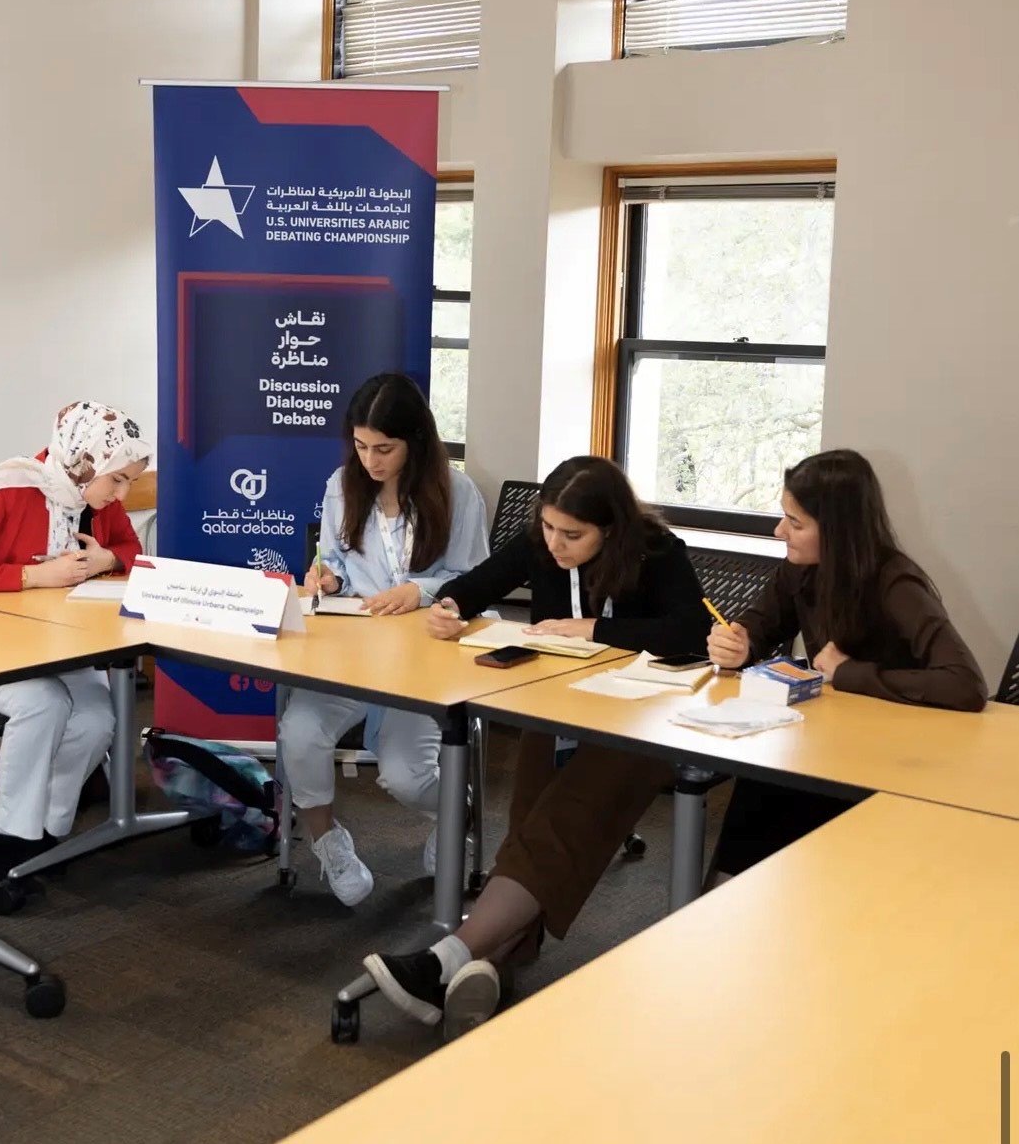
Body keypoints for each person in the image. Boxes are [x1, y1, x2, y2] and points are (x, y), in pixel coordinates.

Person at [363, 455, 710, 1037]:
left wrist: (595, 629)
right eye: (548, 528)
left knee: (555, 827)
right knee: (530, 825)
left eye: (573, 535)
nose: (555, 545)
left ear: (612, 529)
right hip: (555, 704)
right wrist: (448, 608)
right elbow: (474, 586)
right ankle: (491, 962)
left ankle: (448, 957)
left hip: (643, 718)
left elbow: (690, 631)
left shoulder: (656, 551)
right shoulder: (540, 542)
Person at [706, 448, 988, 883]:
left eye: (796, 523)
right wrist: (739, 643)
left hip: (897, 756)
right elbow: (759, 626)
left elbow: (965, 684)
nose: (780, 531)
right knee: (763, 782)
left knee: (795, 811)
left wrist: (848, 672)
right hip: (828, 740)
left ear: (837, 532)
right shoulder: (799, 570)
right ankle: (723, 911)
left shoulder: (896, 583)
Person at [279, 373, 488, 906]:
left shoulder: (457, 492)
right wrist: (326, 578)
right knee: (299, 733)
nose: (371, 461)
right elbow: (336, 565)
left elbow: (476, 579)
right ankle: (328, 840)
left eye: (384, 449)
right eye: (361, 445)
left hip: (423, 658)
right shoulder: (341, 484)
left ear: (415, 442)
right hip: (351, 651)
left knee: (407, 778)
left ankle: (452, 812)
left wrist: (419, 591)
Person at [0, 400, 152, 884]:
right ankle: (8, 840)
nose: (123, 492)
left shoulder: (95, 503)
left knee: (96, 716)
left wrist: (107, 557)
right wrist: (34, 575)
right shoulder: (10, 490)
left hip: (56, 648)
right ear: (83, 461)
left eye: (129, 479)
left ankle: (47, 831)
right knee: (45, 706)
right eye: (117, 478)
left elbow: (135, 555)